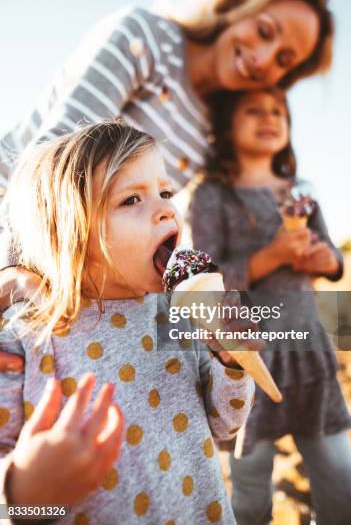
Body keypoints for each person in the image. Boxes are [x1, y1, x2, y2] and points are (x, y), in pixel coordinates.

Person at [0, 0, 334, 374]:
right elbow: (52, 161)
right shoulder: (144, 37)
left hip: (77, 271)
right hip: (17, 232)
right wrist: (12, 268)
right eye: (264, 31)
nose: (265, 59)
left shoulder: (218, 130)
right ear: (235, 4)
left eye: (284, 60)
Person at [0, 121, 255, 524]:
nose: (167, 209)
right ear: (70, 232)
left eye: (165, 192)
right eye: (132, 199)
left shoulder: (176, 316)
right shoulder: (26, 339)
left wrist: (234, 364)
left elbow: (224, 424)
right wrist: (24, 493)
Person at [189, 89, 351, 524]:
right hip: (250, 352)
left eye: (278, 111)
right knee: (251, 484)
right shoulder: (212, 196)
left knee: (340, 475)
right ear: (226, 125)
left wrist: (329, 260)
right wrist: (274, 255)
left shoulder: (302, 193)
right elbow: (208, 279)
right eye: (254, 110)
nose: (269, 118)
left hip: (309, 348)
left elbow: (333, 254)